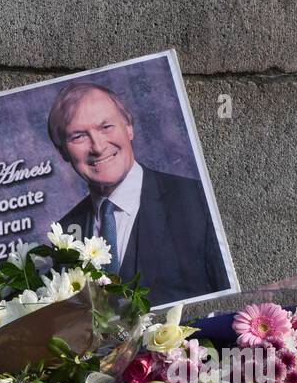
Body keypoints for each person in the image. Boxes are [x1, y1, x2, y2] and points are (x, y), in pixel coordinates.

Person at [48, 82, 230, 305]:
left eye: (106, 127)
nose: (97, 146)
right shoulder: (64, 233)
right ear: (62, 152)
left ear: (129, 127)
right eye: (78, 136)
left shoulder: (198, 200)